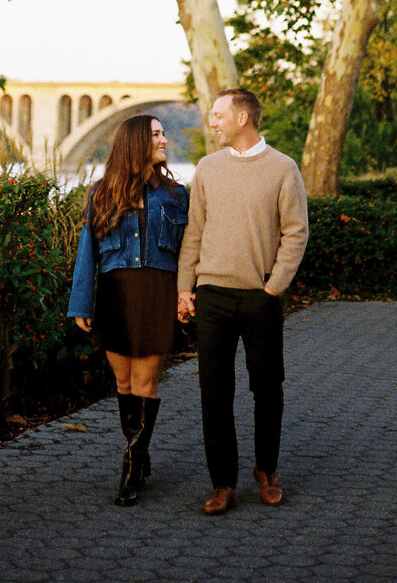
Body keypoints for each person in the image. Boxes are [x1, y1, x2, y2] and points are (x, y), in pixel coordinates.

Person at [177, 88, 308, 515]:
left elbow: (296, 232)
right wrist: (185, 287)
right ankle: (223, 484)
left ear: (243, 117)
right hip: (212, 295)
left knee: (267, 388)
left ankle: (266, 471)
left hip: (260, 296)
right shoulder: (208, 169)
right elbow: (194, 232)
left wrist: (274, 285)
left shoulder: (283, 168)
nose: (212, 122)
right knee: (214, 391)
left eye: (218, 115)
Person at [68, 114, 189, 506]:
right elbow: (87, 250)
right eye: (156, 134)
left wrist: (187, 294)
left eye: (163, 134)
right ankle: (139, 452)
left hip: (156, 293)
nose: (164, 140)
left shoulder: (176, 195)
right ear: (136, 141)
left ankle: (132, 468)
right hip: (115, 295)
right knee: (123, 385)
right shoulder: (101, 193)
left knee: (145, 385)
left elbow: (190, 251)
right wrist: (81, 302)